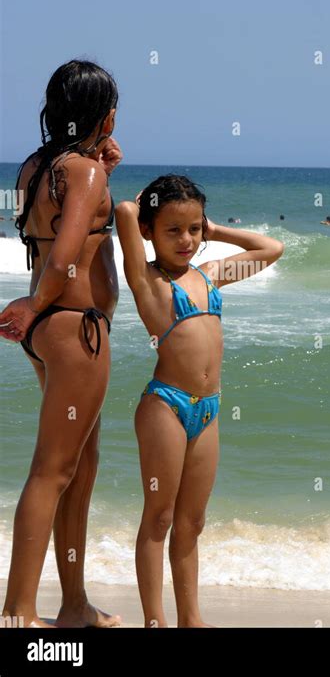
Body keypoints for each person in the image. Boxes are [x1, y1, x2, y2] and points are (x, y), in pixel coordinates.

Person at [115, 175, 284, 627]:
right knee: (160, 516)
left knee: (191, 523)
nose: (186, 240)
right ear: (150, 231)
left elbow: (271, 249)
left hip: (208, 411)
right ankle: (155, 621)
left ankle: (192, 619)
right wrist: (139, 210)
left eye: (194, 230)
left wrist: (215, 230)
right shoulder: (148, 281)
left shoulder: (209, 277)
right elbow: (125, 213)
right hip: (165, 407)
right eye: (173, 230)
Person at [0, 60, 122, 628]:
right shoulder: (86, 172)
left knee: (77, 466)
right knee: (52, 471)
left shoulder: (34, 168)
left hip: (51, 331)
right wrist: (32, 304)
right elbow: (69, 249)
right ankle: (19, 612)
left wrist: (101, 167)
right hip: (76, 330)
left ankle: (73, 605)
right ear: (108, 114)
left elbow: (48, 234)